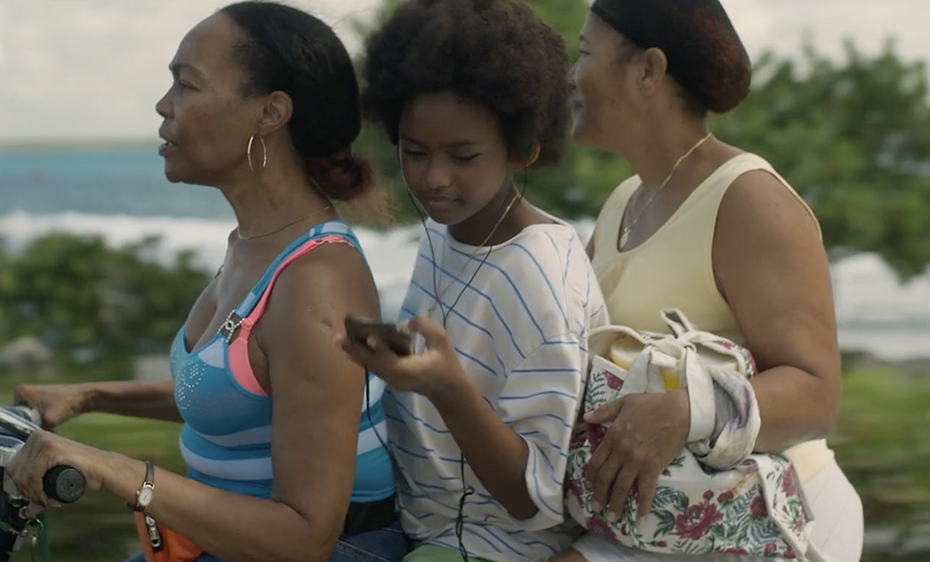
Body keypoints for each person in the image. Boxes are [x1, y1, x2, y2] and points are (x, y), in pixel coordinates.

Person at [6, 3, 407, 562]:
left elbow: (307, 536)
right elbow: (238, 394)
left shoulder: (315, 282)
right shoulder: (253, 244)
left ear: (270, 113)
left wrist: (117, 469)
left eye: (187, 85)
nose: (164, 105)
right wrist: (88, 397)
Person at [556, 0, 864, 560]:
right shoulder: (622, 201)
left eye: (584, 54)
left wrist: (687, 409)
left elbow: (817, 396)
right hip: (663, 519)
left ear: (648, 70)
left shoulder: (748, 199)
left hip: (774, 516)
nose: (570, 77)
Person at [338, 1, 610, 561]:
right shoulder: (447, 233)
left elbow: (533, 499)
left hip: (494, 546)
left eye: (463, 156)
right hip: (410, 516)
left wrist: (447, 387)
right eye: (414, 152)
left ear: (521, 147)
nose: (434, 178)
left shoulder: (539, 282)